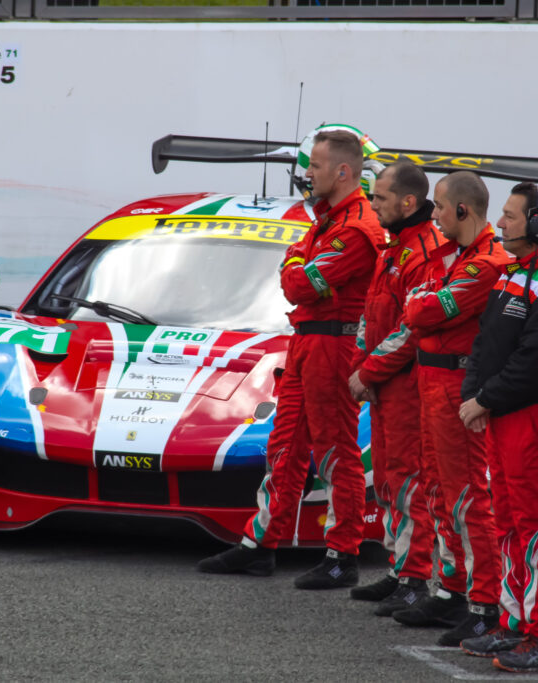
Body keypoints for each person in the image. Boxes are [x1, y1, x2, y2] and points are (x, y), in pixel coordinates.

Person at [197, 129, 385, 588]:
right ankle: (261, 544)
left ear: (343, 172)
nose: (307, 175)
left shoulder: (358, 227)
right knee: (283, 447)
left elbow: (297, 282)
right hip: (306, 343)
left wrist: (297, 266)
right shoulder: (327, 219)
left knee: (336, 451)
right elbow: (294, 269)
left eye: (315, 167)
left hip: (335, 346)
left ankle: (343, 554)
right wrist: (298, 264)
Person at [457, 183, 538, 673]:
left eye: (512, 216)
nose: (501, 223)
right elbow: (486, 343)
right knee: (510, 522)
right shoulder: (513, 271)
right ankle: (515, 622)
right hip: (507, 414)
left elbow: (536, 362)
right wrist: (474, 395)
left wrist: (484, 400)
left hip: (535, 416)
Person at [393, 171, 509, 646]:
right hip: (432, 379)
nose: (433, 214)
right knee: (439, 492)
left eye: (439, 207)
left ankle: (484, 603)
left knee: (468, 500)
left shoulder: (487, 262)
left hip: (457, 386)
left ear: (462, 210)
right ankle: (453, 588)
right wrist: (422, 301)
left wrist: (422, 302)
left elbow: (422, 311)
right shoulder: (456, 256)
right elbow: (414, 304)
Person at [347, 161, 445, 612]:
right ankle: (398, 567)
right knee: (387, 480)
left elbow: (411, 329)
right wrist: (363, 365)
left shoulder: (425, 250)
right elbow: (371, 313)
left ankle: (414, 577)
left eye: (380, 198)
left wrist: (368, 372)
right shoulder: (394, 246)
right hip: (385, 385)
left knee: (409, 482)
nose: (373, 205)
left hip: (408, 386)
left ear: (408, 201)